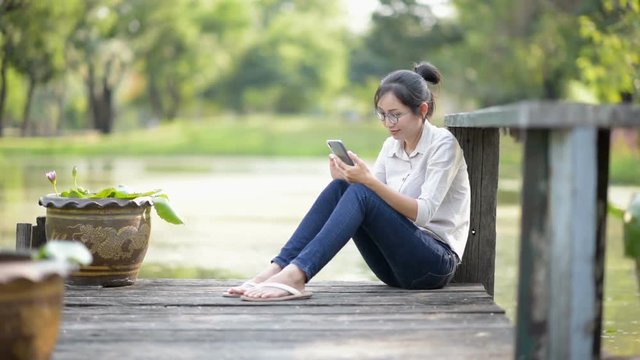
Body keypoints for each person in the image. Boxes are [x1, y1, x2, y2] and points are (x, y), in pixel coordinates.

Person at [224, 62, 471, 302]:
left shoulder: (443, 144)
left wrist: (366, 183)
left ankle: (297, 275)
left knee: (361, 190)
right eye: (382, 114)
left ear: (423, 110)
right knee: (344, 187)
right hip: (392, 268)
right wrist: (350, 182)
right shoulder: (390, 146)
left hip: (433, 265)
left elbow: (423, 213)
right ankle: (278, 269)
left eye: (396, 115)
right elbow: (380, 206)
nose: (388, 123)